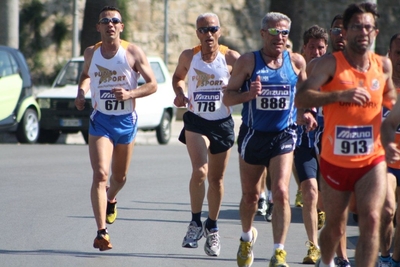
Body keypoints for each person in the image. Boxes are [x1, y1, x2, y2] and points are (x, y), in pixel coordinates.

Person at [295, 3, 397, 267]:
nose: (363, 32)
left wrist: (388, 141)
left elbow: (390, 111)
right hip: (335, 160)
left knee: (372, 219)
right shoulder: (329, 64)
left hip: (371, 161)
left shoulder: (383, 67)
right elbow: (302, 97)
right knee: (335, 226)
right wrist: (339, 95)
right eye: (356, 26)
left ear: (375, 31)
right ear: (345, 31)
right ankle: (326, 261)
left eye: (368, 27)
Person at [223, 12, 309, 267]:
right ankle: (246, 237)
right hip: (253, 135)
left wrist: (307, 114)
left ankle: (278, 251)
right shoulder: (249, 62)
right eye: (274, 32)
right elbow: (227, 97)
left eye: (284, 33)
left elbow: (304, 97)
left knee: (281, 191)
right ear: (263, 34)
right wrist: (247, 94)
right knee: (250, 196)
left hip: (284, 134)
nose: (279, 37)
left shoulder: (296, 62)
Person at [74, 6, 157, 251]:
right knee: (100, 174)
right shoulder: (91, 52)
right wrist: (81, 93)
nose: (110, 24)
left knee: (119, 177)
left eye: (115, 21)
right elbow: (86, 75)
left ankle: (111, 198)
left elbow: (152, 85)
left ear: (121, 26)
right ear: (98, 27)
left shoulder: (132, 52)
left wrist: (130, 93)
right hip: (100, 121)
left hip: (126, 122)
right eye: (105, 21)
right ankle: (102, 232)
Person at [172, 12, 240, 257]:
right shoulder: (189, 56)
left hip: (222, 123)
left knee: (217, 179)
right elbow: (178, 78)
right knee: (200, 170)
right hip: (196, 121)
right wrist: (179, 93)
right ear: (197, 33)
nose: (208, 34)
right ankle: (194, 222)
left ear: (219, 31)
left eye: (212, 29)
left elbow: (246, 83)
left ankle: (212, 227)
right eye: (203, 30)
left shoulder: (231, 58)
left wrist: (235, 88)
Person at [294, 24, 328, 264]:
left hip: (327, 142)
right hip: (302, 141)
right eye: (312, 47)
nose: (316, 51)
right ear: (304, 48)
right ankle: (313, 246)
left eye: (321, 47)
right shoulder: (295, 71)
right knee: (309, 191)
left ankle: (323, 211)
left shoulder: (332, 74)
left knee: (324, 197)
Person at [379, 32, 400, 267]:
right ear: (390, 54)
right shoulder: (380, 84)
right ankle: (384, 257)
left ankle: (395, 261)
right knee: (386, 210)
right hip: (384, 162)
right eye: (398, 53)